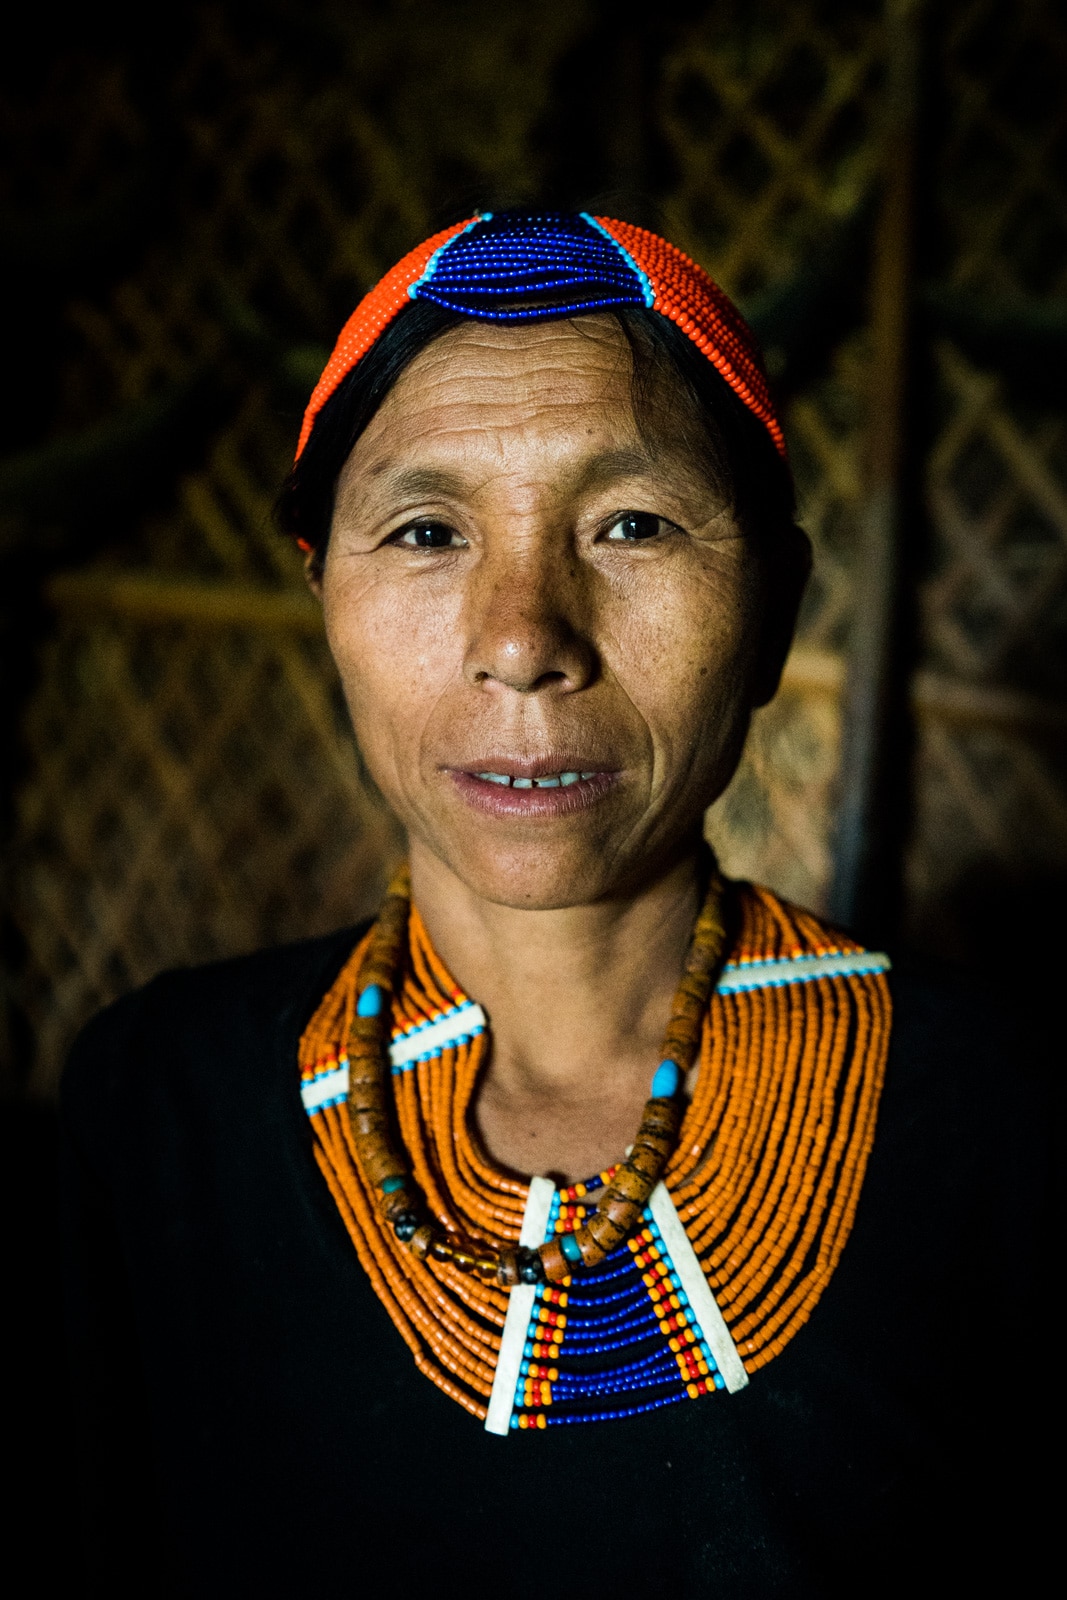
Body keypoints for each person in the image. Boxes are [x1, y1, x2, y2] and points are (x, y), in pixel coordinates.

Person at [62, 211, 1048, 1597]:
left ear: (772, 610)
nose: (524, 637)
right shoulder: (148, 1118)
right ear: (320, 595)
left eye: (632, 524)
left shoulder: (1011, 1122)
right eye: (426, 531)